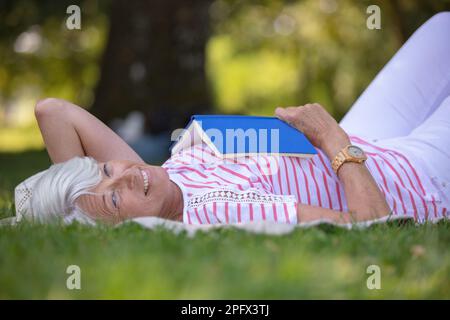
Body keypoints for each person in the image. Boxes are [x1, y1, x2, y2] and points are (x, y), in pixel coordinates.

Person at [12, 12, 450, 226]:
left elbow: (52, 111)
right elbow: (372, 223)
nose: (121, 178)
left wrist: (70, 194)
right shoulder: (209, 209)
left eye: (106, 169)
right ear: (125, 229)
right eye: (110, 200)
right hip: (411, 177)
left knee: (441, 29)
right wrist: (331, 137)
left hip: (366, 142)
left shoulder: (155, 177)